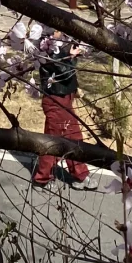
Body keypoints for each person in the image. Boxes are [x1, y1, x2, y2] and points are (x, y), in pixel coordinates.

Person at [32, 34, 90, 187]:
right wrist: (72, 56)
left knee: (72, 135)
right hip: (55, 99)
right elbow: (63, 71)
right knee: (54, 140)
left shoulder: (58, 42)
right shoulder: (47, 45)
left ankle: (79, 174)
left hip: (64, 96)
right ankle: (43, 177)